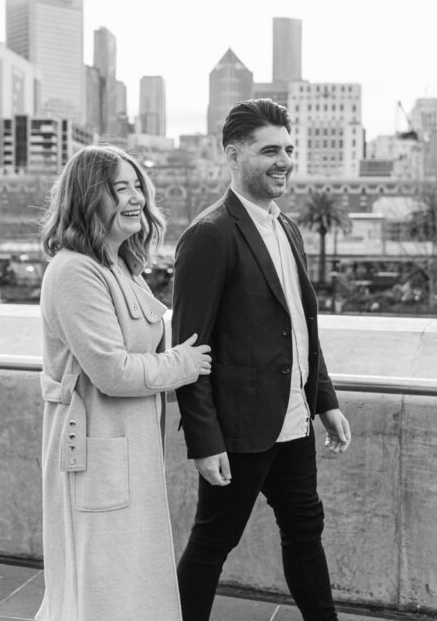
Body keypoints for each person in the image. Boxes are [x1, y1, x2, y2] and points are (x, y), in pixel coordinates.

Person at [172, 99, 352, 621]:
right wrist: (206, 443)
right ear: (233, 155)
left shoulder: (286, 228)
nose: (284, 161)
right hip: (240, 431)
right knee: (212, 544)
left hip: (293, 422)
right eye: (270, 150)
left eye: (289, 149)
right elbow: (188, 351)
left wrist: (324, 401)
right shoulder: (209, 236)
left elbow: (299, 329)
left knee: (305, 533)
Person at [35, 145, 212, 620]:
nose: (136, 198)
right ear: (90, 198)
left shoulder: (121, 266)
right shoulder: (74, 271)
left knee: (127, 582)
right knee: (101, 587)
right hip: (96, 454)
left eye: (139, 186)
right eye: (121, 189)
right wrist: (184, 363)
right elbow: (113, 372)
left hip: (128, 449)